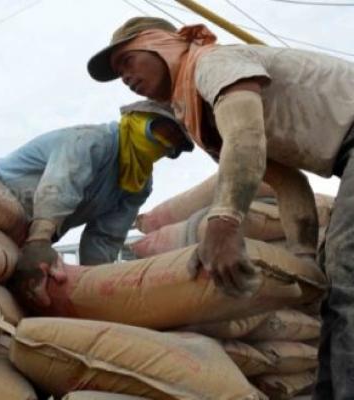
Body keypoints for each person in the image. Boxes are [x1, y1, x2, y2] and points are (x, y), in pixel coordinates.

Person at [87, 16, 354, 399]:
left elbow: (246, 138)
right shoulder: (202, 114)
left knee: (347, 267)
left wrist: (224, 223)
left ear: (163, 43)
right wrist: (302, 258)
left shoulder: (212, 64)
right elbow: (287, 182)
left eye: (127, 60)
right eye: (118, 72)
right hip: (347, 158)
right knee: (335, 280)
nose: (125, 76)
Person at [0, 100, 192, 308]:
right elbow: (59, 188)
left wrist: (94, 286)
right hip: (0, 197)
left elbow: (105, 238)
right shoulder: (91, 141)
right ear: (138, 119)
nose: (165, 143)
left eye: (173, 143)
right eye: (162, 131)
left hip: (32, 231)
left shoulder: (138, 184)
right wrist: (39, 239)